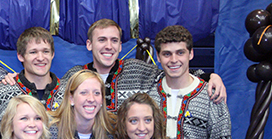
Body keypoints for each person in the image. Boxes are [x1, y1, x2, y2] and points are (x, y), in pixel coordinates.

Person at [60, 19, 228, 112]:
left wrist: (209, 76)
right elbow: (57, 111)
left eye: (114, 41)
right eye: (102, 40)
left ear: (120, 46)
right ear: (89, 45)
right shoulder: (75, 76)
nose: (108, 46)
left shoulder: (137, 70)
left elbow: (174, 74)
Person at [150, 25, 234, 139]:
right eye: (167, 54)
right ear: (158, 56)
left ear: (191, 54)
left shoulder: (211, 96)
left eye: (180, 52)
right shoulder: (150, 95)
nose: (174, 60)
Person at [0, 26, 67, 139]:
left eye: (46, 51)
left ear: (52, 55)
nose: (40, 58)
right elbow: (0, 137)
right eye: (33, 52)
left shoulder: (68, 92)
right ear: (20, 56)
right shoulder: (4, 92)